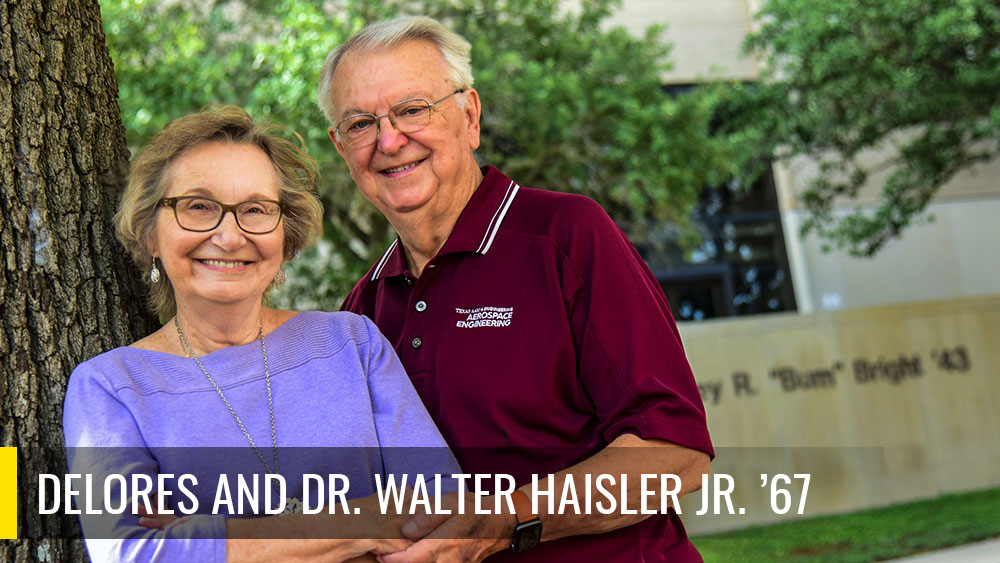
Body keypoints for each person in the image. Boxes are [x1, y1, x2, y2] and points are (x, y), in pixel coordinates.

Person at [317, 15, 714, 563]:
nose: (389, 140)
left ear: (470, 116)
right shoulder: (363, 311)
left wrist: (504, 519)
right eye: (361, 123)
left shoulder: (566, 237)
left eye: (412, 109)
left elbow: (676, 455)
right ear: (342, 149)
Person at [62, 106, 458, 563]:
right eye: (198, 206)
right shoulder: (110, 388)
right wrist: (365, 521)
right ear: (151, 233)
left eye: (255, 209)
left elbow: (440, 514)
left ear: (284, 235)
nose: (229, 236)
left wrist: (208, 538)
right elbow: (134, 553)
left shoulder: (352, 344)